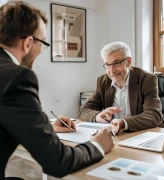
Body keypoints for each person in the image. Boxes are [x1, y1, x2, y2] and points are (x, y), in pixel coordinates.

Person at [0, 1, 114, 179]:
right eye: (42, 44)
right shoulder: (17, 77)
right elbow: (58, 162)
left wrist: (46, 129)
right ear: (28, 43)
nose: (41, 51)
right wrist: (98, 145)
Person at [79, 41, 164, 134]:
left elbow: (153, 115)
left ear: (128, 62)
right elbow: (84, 110)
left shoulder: (147, 79)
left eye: (116, 63)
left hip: (149, 134)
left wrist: (122, 123)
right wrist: (98, 116)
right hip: (118, 135)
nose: (111, 71)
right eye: (107, 65)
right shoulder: (103, 81)